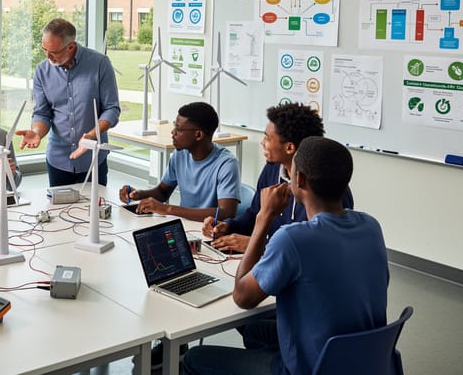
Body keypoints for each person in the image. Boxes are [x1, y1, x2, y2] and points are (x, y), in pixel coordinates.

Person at [184, 137, 389, 375]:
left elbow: (242, 296)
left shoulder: (293, 239)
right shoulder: (371, 226)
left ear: (298, 180)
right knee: (255, 331)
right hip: (363, 359)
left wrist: (264, 218)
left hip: (316, 368)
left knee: (195, 358)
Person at [203, 102, 354, 253]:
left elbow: (320, 248)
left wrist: (258, 244)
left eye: (267, 138)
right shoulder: (273, 168)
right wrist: (229, 226)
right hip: (272, 258)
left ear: (289, 147)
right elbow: (255, 213)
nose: (262, 143)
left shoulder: (325, 185)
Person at [15, 17, 121, 187]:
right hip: (58, 160)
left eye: (53, 52)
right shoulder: (42, 71)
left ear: (71, 46)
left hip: (93, 158)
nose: (47, 56)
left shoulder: (100, 64)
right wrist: (37, 132)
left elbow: (112, 109)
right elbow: (42, 113)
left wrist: (91, 136)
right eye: (44, 49)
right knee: (57, 204)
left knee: (95, 204)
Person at [119, 102, 239, 221]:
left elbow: (226, 212)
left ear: (198, 135)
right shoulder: (180, 154)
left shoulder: (226, 164)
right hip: (185, 224)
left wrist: (168, 209)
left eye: (179, 128)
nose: (173, 132)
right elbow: (162, 192)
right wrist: (139, 194)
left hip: (210, 229)